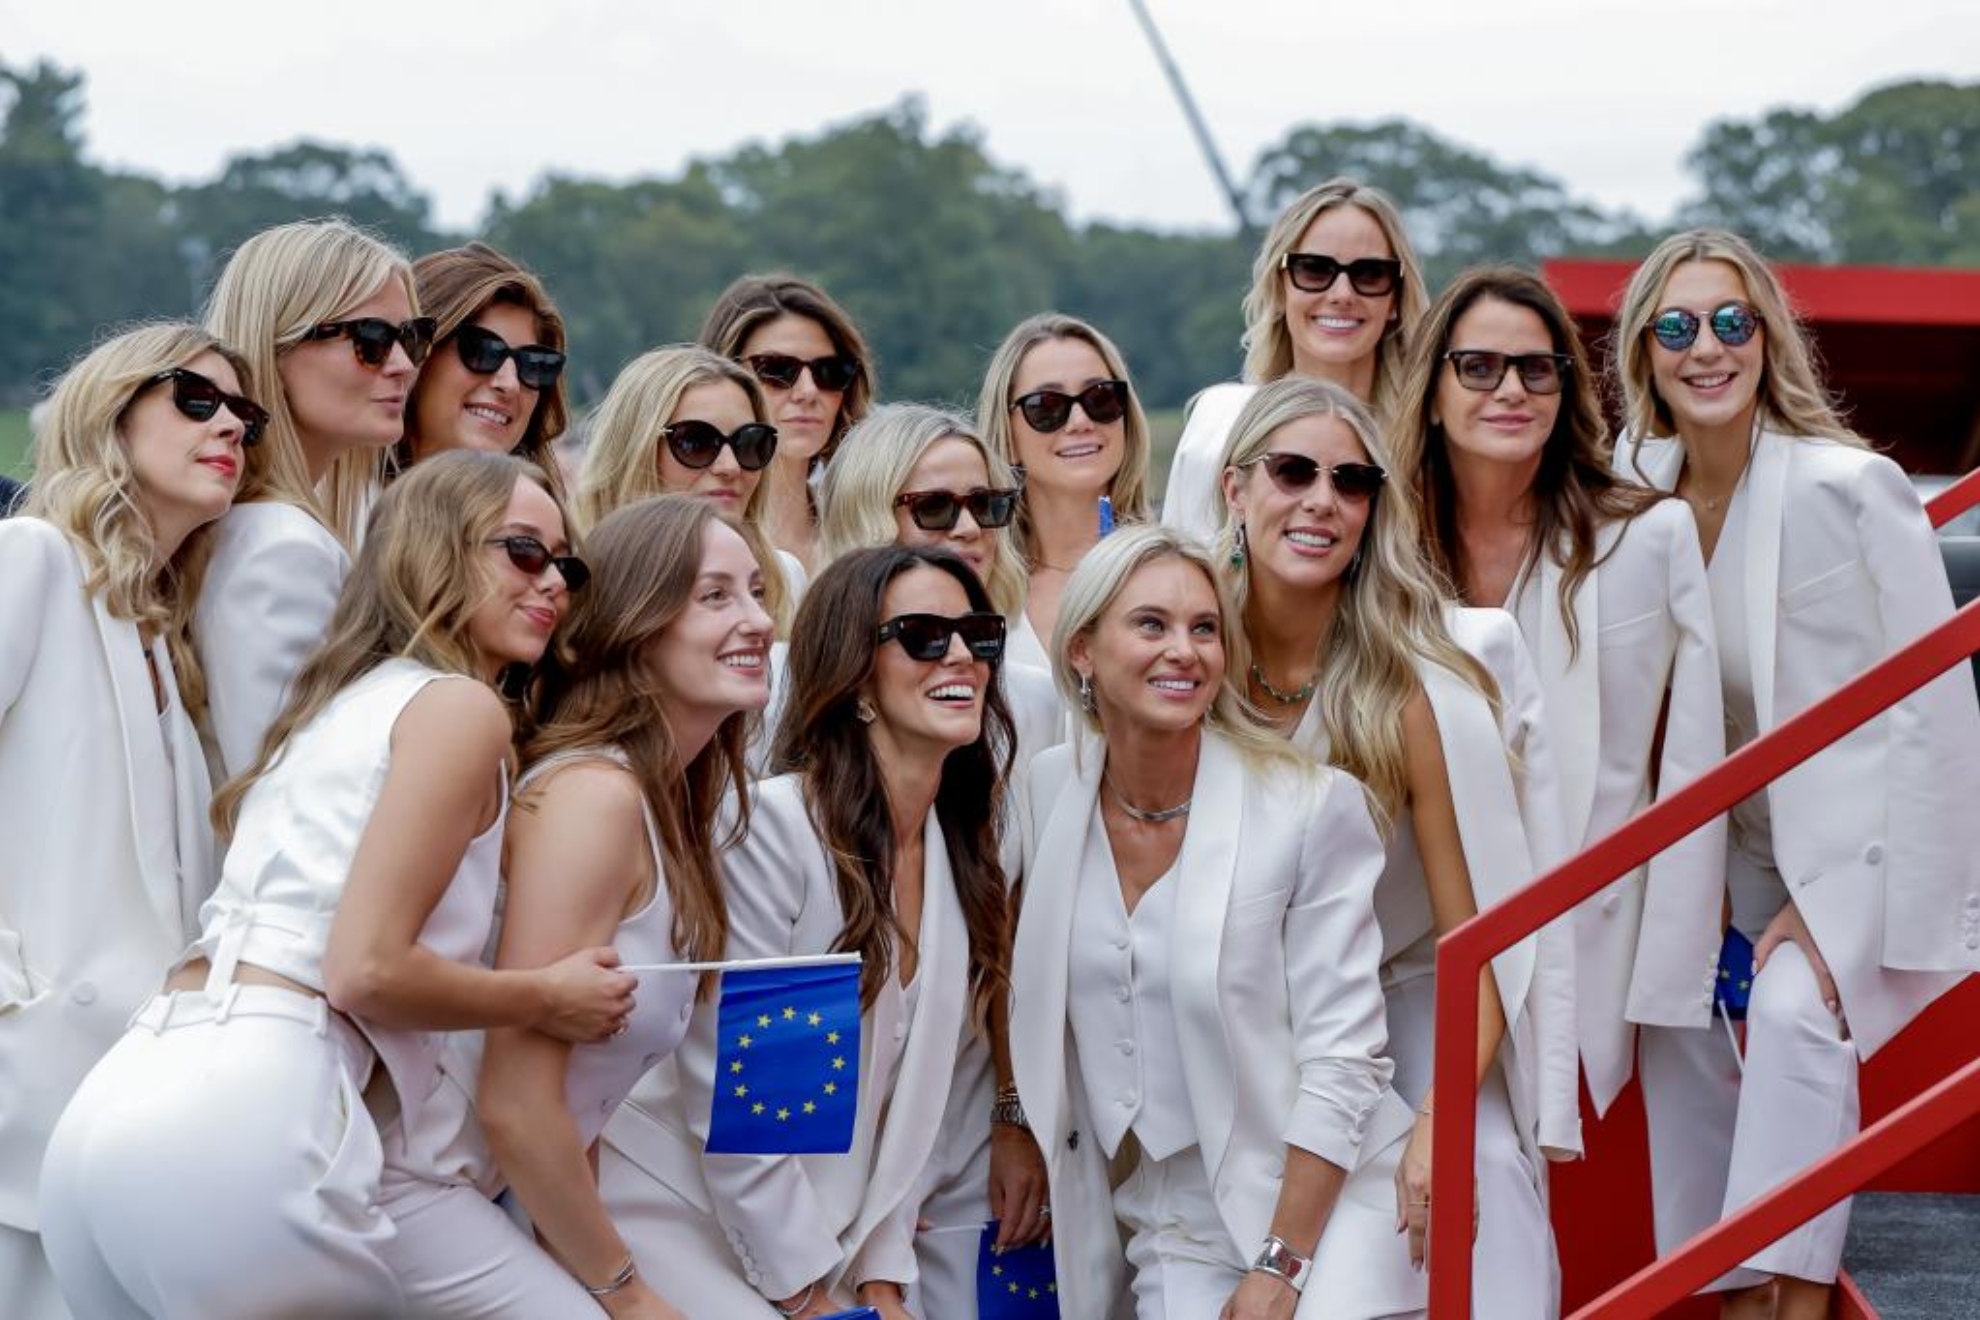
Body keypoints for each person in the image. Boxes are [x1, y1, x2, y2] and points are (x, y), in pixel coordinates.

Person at [38, 452, 633, 1320]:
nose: (554, 584)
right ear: (435, 550)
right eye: (523, 552)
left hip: (116, 1112)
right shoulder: (460, 710)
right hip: (253, 1115)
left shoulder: (340, 707)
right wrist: (545, 995)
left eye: (566, 565)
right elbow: (365, 971)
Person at [1613, 229, 1980, 1319]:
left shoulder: (1851, 487)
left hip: (1848, 851)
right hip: (1716, 853)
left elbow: (1933, 713)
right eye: (1676, 327)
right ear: (1645, 353)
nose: (1707, 348)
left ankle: (1793, 1297)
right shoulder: (1630, 492)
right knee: (1673, 1018)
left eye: (1733, 321)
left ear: (1769, 339)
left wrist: (1843, 919)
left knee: (1788, 1014)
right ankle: (1722, 1286)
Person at [1216, 378, 1579, 1316]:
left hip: (1407, 999)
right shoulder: (1190, 658)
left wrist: (1438, 1118)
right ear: (1234, 489)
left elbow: (1479, 942)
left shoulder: (1412, 686)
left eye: (1352, 480)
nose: (1321, 501)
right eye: (1293, 471)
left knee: (1482, 1165)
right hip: (1239, 1014)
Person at [371, 493, 773, 1318]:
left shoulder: (662, 806)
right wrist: (626, 1298)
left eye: (759, 591)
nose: (758, 620)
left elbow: (573, 1112)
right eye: (715, 596)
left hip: (484, 1198)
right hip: (406, 1192)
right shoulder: (593, 796)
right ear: (635, 626)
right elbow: (517, 1102)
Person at [1011, 524, 1420, 1319]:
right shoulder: (1046, 790)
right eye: (1151, 625)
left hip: (1326, 1208)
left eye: (1205, 629)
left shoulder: (1306, 805)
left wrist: (1282, 1263)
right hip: (1168, 1214)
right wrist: (1009, 1117)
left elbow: (1346, 1057)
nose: (1185, 651)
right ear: (1084, 650)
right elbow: (1011, 973)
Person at [599, 545, 1015, 1319]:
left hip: (836, 1246)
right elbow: (747, 1106)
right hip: (683, 1220)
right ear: (855, 673)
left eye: (979, 634)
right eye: (924, 635)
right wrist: (809, 1299)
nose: (960, 655)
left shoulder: (961, 858)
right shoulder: (776, 832)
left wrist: (884, 1282)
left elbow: (908, 1112)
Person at [1386, 266, 1728, 1135]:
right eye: (1480, 368)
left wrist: (1673, 972)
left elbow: (1692, 759)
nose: (1511, 390)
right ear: (1431, 392)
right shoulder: (1381, 548)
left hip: (1590, 929)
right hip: (1414, 932)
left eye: (1538, 370)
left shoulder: (1648, 536)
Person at [0, 323, 261, 1319]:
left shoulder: (166, 635)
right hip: (27, 1089)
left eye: (246, 411)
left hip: (127, 1114)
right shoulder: (33, 559)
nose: (230, 422)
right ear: (111, 414)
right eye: (195, 399)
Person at [815, 403, 1062, 1315]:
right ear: (866, 515)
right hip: (808, 1110)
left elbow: (1020, 928)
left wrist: (1014, 1115)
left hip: (957, 1102)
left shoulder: (1028, 703)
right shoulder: (780, 694)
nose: (967, 529)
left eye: (987, 506)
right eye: (933, 507)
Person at [197, 218, 433, 781]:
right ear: (275, 348)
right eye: (371, 341)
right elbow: (286, 791)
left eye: (412, 337)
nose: (403, 364)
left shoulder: (283, 531)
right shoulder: (279, 548)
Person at [1163, 178, 1426, 542]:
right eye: (1314, 270)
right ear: (1280, 287)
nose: (1342, 294)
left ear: (1396, 298)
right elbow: (1181, 579)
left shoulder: (1429, 442)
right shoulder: (1220, 424)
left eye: (1369, 274)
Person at [578, 345, 801, 635]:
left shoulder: (784, 579)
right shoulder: (570, 582)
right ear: (635, 451)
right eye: (696, 443)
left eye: (749, 443)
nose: (730, 467)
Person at [977, 312, 1153, 669]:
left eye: (1100, 398)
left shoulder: (1172, 568)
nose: (1080, 422)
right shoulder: (977, 585)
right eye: (1047, 407)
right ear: (1008, 436)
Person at [699, 274, 874, 574]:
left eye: (829, 371)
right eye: (778, 370)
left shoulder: (870, 533)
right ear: (723, 372)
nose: (807, 392)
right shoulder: (693, 534)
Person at [400, 242, 569, 479]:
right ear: (417, 351)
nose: (509, 384)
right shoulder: (343, 512)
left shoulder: (544, 515)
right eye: (482, 350)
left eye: (533, 364)